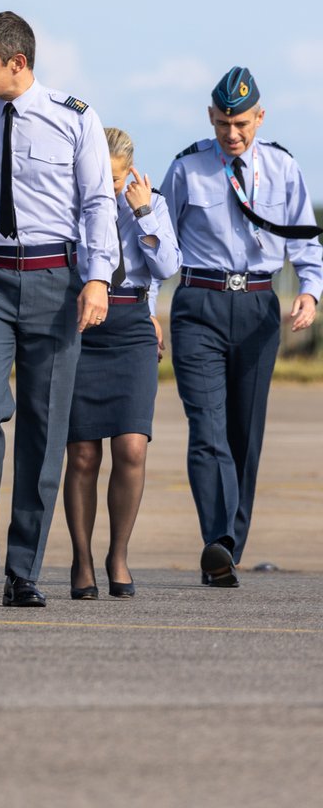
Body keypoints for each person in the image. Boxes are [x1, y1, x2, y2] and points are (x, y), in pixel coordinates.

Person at [0, 12, 118, 607]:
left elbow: (97, 203)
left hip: (56, 284)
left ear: (17, 62)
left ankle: (24, 570)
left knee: (44, 427)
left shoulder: (74, 119)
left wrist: (99, 278)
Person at [161, 66, 322, 587]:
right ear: (211, 117)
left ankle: (230, 544)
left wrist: (310, 291)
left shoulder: (281, 168)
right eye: (224, 123)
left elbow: (303, 241)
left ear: (260, 117)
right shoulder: (187, 169)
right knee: (207, 430)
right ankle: (219, 541)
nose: (233, 134)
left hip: (257, 308)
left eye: (242, 124)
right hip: (199, 306)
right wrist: (144, 306)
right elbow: (158, 242)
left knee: (243, 435)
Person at [64, 128, 181, 600]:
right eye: (100, 176)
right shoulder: (69, 202)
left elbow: (168, 266)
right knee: (84, 453)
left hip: (131, 322)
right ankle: (82, 559)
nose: (107, 186)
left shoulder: (150, 203)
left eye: (115, 178)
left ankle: (118, 554)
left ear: (129, 171)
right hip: (82, 323)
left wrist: (143, 211)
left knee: (132, 446)